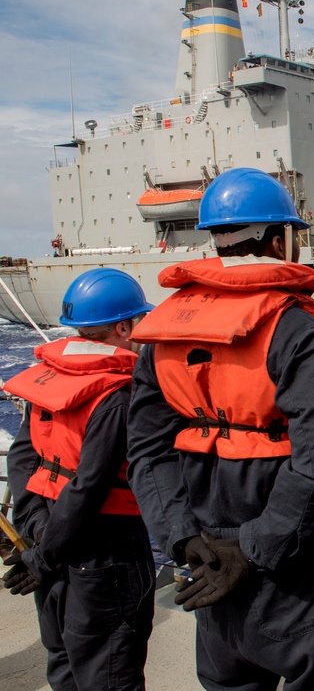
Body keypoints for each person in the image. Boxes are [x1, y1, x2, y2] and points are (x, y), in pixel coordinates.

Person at [125, 167, 314, 690]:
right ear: (281, 239)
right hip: (301, 575)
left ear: (216, 240)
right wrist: (255, 550)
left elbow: (146, 452)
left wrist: (183, 540)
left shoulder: (161, 338)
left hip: (209, 567)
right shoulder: (302, 334)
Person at [2, 268, 155, 690]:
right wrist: (45, 554)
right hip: (105, 554)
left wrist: (36, 533)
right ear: (123, 327)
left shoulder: (47, 381)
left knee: (65, 667)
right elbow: (89, 487)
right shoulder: (117, 395)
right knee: (110, 671)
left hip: (48, 538)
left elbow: (22, 458)